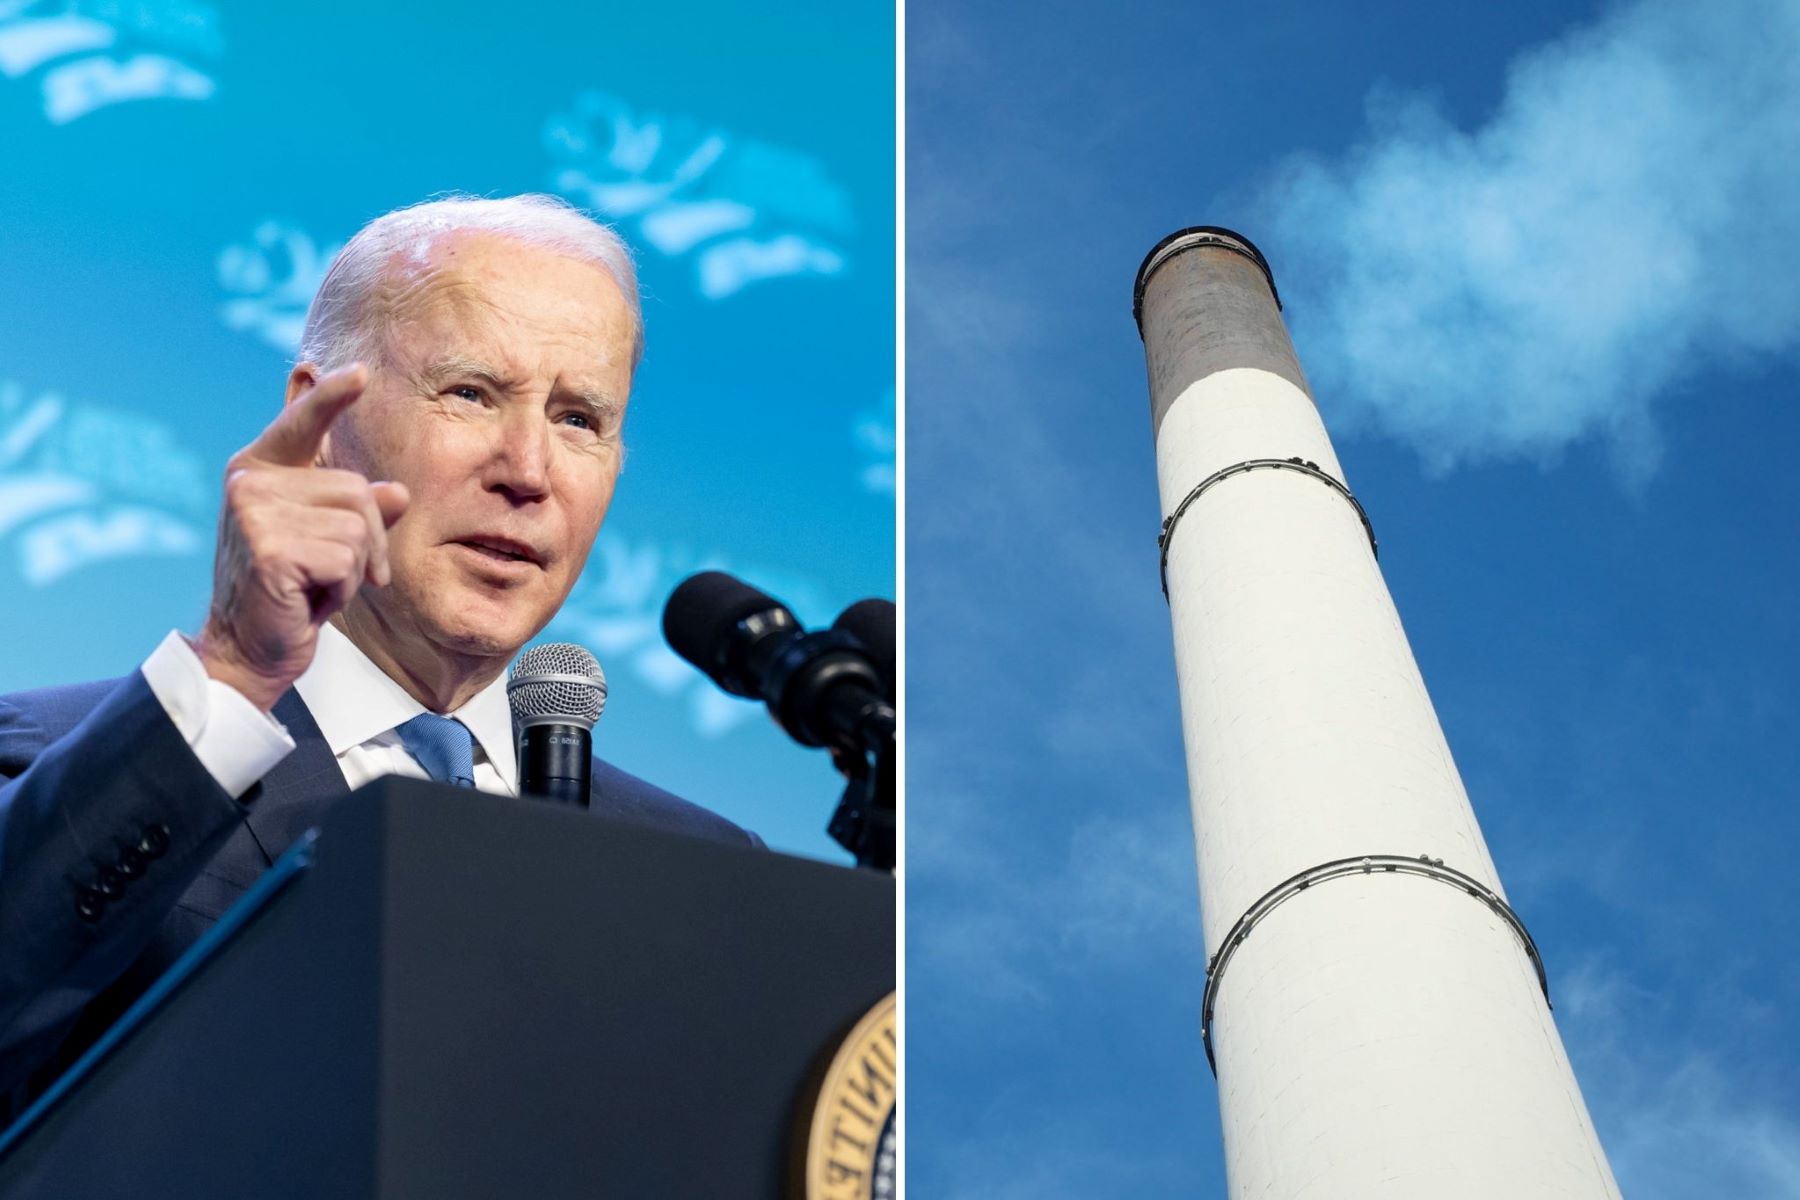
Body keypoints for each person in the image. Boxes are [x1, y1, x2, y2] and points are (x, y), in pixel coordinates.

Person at [0, 194, 758, 1118]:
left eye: (579, 419)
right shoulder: (52, 765)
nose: (529, 469)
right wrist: (235, 668)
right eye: (472, 393)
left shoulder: (707, 872)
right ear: (319, 429)